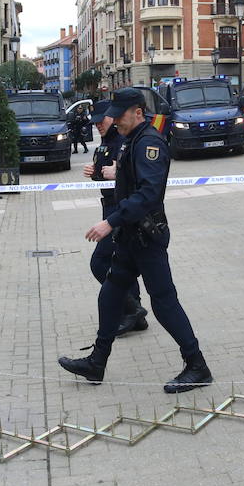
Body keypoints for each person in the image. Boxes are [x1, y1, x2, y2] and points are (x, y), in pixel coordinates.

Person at [59, 87, 212, 393]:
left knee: (164, 302)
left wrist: (109, 221)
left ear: (138, 112)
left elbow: (148, 194)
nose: (114, 122)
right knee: (111, 294)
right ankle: (97, 363)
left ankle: (197, 366)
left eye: (119, 116)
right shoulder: (133, 140)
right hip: (130, 235)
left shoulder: (149, 143)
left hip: (146, 236)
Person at [82, 101, 149, 336]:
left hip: (120, 211)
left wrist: (118, 171)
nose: (99, 124)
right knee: (124, 261)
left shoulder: (124, 139)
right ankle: (136, 316)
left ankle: (132, 309)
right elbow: (106, 173)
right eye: (96, 121)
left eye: (103, 119)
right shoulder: (107, 141)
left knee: (99, 262)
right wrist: (94, 173)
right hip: (110, 207)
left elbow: (138, 175)